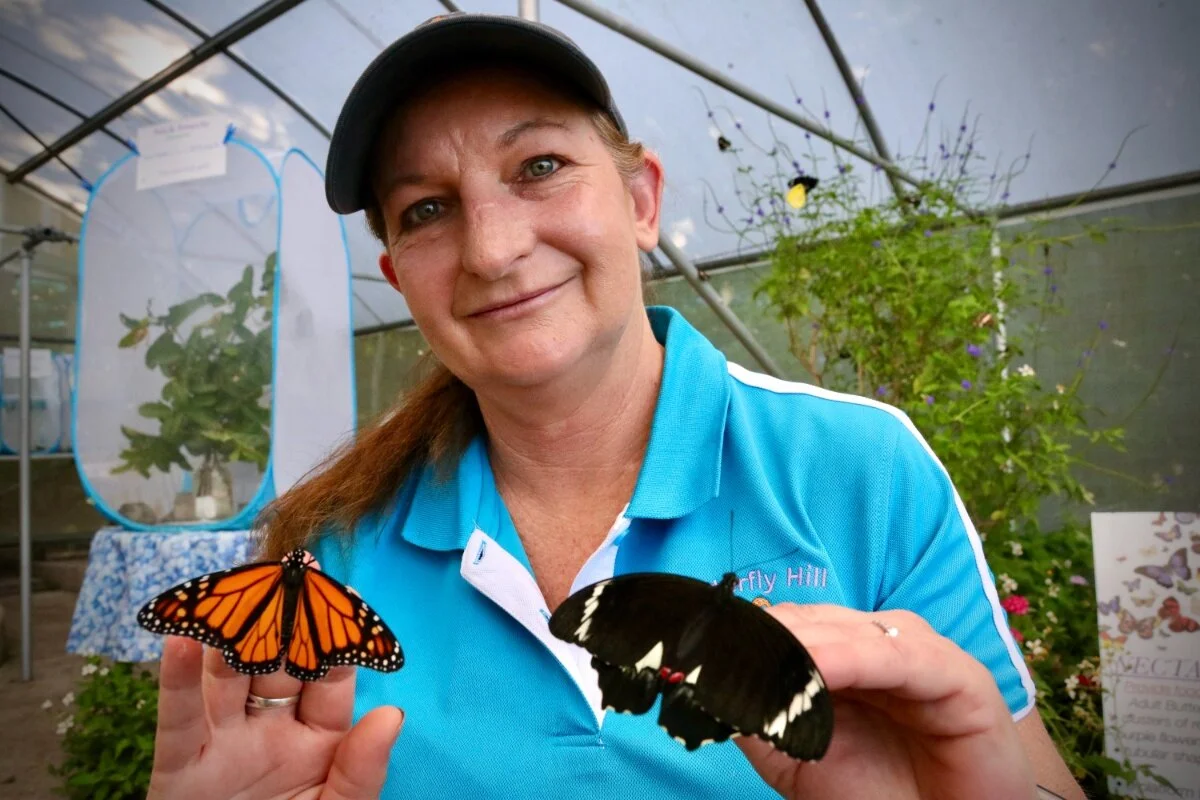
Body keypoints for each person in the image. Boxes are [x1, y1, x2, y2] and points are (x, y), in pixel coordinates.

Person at [147, 12, 1085, 800]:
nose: (492, 249)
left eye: (541, 165)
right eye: (427, 209)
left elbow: (1026, 771)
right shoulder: (335, 542)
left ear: (642, 200)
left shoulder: (858, 467)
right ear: (398, 278)